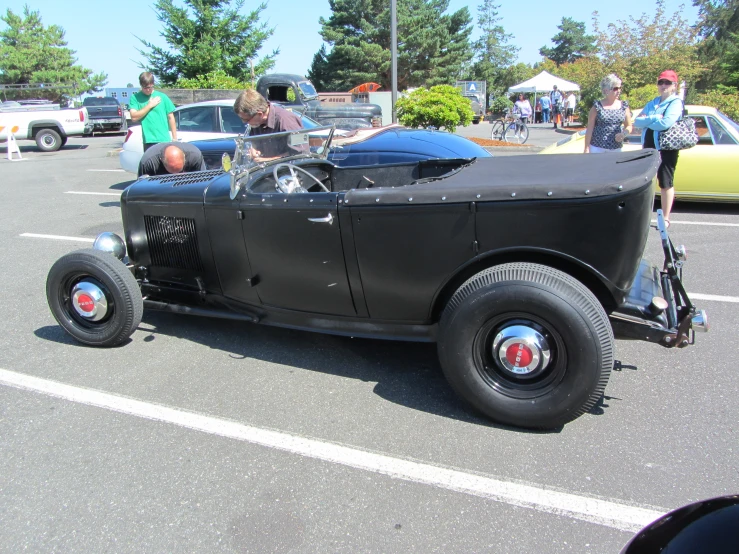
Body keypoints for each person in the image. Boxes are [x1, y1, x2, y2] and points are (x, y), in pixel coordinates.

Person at [633, 70, 684, 226]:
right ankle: (645, 214)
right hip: (648, 147)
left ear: (674, 86)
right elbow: (637, 121)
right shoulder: (653, 102)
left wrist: (648, 121)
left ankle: (666, 217)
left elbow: (666, 123)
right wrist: (654, 118)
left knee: (665, 182)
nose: (663, 85)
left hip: (666, 148)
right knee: (647, 180)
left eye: (667, 83)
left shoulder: (675, 102)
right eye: (660, 82)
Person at [233, 89, 304, 161]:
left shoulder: (288, 122)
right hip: (267, 171)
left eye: (247, 120)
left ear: (260, 114)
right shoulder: (257, 124)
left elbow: (300, 153)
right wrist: (253, 150)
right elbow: (254, 145)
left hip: (290, 171)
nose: (245, 123)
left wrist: (269, 161)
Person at [583, 74, 633, 154]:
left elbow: (629, 126)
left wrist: (623, 134)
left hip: (616, 148)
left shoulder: (624, 106)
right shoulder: (597, 107)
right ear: (606, 90)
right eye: (615, 88)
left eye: (620, 88)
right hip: (597, 148)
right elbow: (589, 129)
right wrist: (586, 148)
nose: (619, 91)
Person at [129, 72, 177, 152]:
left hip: (164, 139)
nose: (148, 90)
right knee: (150, 164)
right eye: (145, 87)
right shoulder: (135, 98)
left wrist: (174, 138)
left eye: (150, 87)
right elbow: (134, 117)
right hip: (149, 140)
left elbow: (170, 117)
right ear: (141, 85)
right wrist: (149, 105)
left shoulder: (162, 97)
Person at [137, 142, 206, 177]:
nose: (176, 177)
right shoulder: (149, 161)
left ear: (185, 157)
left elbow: (203, 182)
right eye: (172, 173)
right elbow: (141, 189)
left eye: (179, 171)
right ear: (161, 160)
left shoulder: (194, 156)